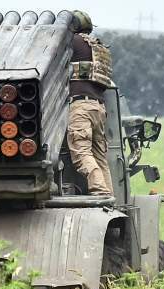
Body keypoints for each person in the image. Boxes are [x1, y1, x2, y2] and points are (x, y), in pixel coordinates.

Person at [67, 10, 115, 197]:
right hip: (98, 107)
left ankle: (100, 191)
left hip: (81, 106)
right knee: (100, 157)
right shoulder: (98, 47)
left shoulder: (73, 42)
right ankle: (109, 196)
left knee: (81, 152)